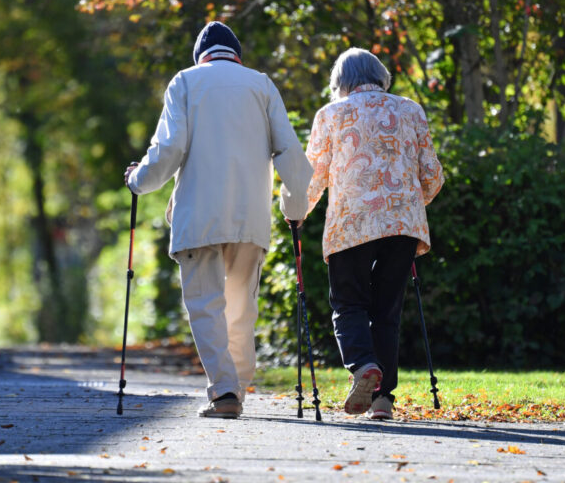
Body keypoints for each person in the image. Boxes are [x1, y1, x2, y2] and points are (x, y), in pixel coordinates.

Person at [124, 21, 313, 419]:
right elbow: (292, 156)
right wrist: (294, 208)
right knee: (241, 307)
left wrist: (138, 181)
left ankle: (225, 391)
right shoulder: (261, 85)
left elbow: (169, 147)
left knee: (206, 306)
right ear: (237, 55)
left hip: (199, 216)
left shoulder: (185, 82)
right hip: (251, 216)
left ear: (200, 57)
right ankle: (236, 387)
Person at [301, 47, 444, 420]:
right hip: (403, 224)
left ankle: (364, 366)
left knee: (348, 303)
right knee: (387, 310)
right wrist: (410, 205)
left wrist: (298, 213)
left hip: (351, 222)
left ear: (340, 83)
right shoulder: (410, 109)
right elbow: (432, 174)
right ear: (381, 77)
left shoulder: (331, 114)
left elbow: (313, 175)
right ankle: (383, 400)